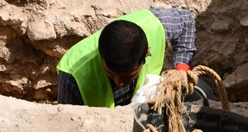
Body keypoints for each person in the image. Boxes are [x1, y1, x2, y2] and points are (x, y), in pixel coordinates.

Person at [57, 8, 198, 107]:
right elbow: (68, 122)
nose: (120, 83)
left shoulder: (155, 25)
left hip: (144, 97)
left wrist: (181, 68)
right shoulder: (72, 77)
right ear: (101, 55)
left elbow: (186, 20)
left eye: (128, 75)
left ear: (146, 53)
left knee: (197, 94)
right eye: (111, 73)